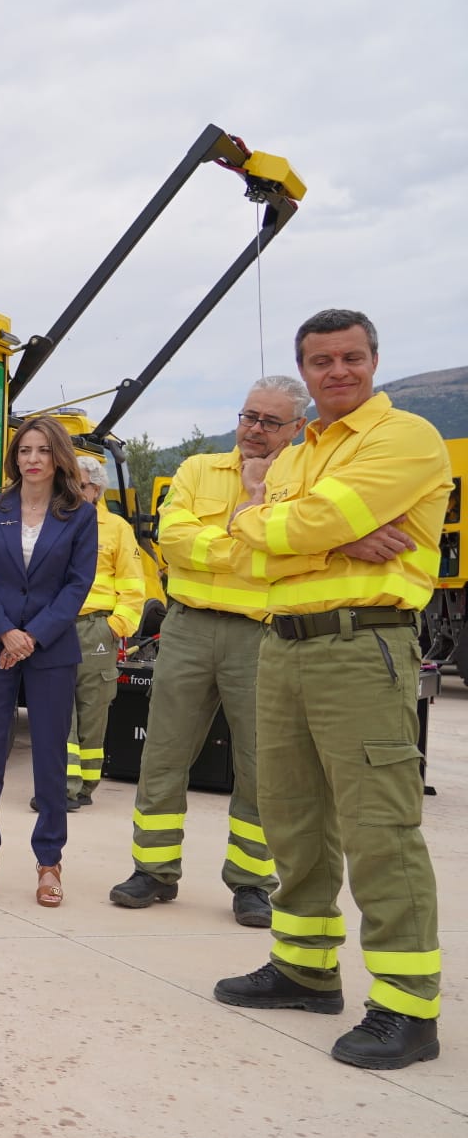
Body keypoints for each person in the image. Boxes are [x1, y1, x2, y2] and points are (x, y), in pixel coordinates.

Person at [213, 309, 450, 1069]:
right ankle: (305, 968)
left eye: (351, 357)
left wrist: (288, 526)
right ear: (305, 371)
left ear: (374, 360)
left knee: (379, 825)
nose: (337, 371)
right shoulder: (297, 452)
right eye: (322, 361)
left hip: (362, 645)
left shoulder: (404, 438)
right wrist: (317, 534)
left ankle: (407, 1010)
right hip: (283, 647)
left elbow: (279, 527)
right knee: (293, 817)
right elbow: (247, 550)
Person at [108, 377, 305, 924]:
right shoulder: (198, 470)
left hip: (262, 635)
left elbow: (293, 553)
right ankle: (153, 871)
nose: (255, 430)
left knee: (261, 765)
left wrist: (219, 545)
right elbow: (172, 540)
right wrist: (251, 539)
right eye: (248, 417)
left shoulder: (304, 481)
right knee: (163, 755)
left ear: (297, 429)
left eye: (270, 421)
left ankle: (251, 883)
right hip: (188, 628)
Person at [0, 416, 97, 908]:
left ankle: (49, 862)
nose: (32, 459)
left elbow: (77, 586)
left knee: (49, 761)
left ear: (58, 456)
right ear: (15, 458)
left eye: (42, 450)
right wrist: (6, 633)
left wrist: (32, 637)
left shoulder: (78, 514)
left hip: (51, 651)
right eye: (24, 451)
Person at [61, 453, 146, 811]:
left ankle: (86, 785)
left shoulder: (117, 529)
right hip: (58, 628)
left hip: (97, 629)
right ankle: (62, 786)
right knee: (59, 713)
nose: (73, 491)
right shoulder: (55, 521)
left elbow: (134, 587)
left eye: (80, 485)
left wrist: (115, 628)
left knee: (93, 711)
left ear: (96, 489)